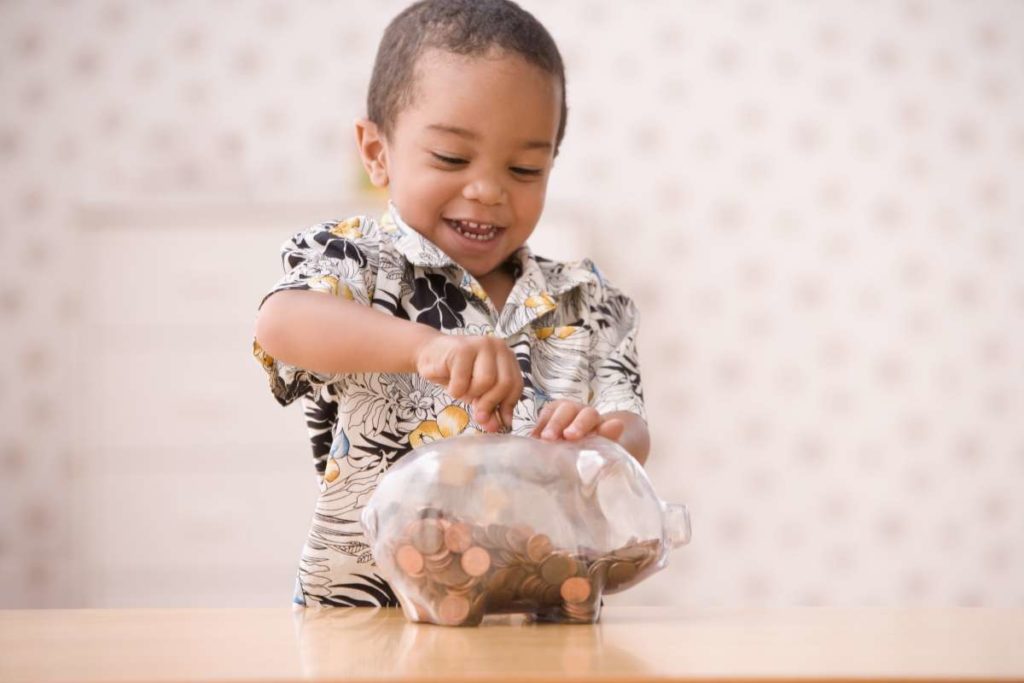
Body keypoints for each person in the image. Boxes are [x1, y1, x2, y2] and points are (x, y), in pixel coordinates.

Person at [253, 0, 649, 608]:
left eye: (524, 168)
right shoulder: (357, 261)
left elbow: (632, 432)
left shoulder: (585, 299)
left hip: (536, 604)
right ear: (376, 150)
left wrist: (601, 437)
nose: (488, 189)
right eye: (451, 158)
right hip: (367, 613)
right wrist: (427, 347)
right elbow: (283, 322)